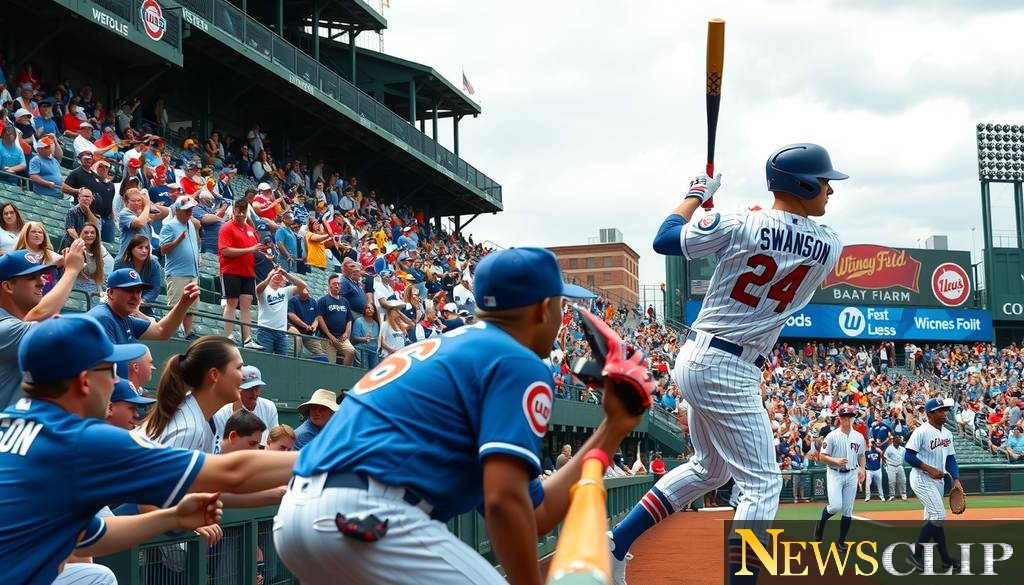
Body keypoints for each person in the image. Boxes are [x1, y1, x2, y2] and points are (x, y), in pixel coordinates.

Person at [273, 247, 648, 585]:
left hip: (298, 516)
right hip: (368, 517)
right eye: (559, 304)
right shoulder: (515, 360)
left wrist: (613, 427)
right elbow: (504, 501)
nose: (561, 315)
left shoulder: (440, 349)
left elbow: (535, 513)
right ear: (541, 308)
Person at [610, 143, 847, 585]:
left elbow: (665, 238)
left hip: (702, 356)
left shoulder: (741, 221)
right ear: (802, 184)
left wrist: (697, 194)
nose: (830, 189)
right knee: (762, 484)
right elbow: (771, 244)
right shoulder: (830, 243)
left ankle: (616, 544)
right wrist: (728, 231)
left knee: (710, 469)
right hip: (728, 367)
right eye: (824, 181)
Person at [0, 313, 299, 584]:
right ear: (84, 381)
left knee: (98, 576)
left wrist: (173, 518)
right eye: (110, 370)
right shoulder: (80, 439)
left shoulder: (11, 421)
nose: (116, 380)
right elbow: (232, 472)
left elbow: (90, 535)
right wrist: (321, 455)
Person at [0, 243, 87, 408]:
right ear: (8, 286)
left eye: (41, 275)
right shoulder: (5, 328)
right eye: (31, 277)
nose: (42, 282)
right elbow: (42, 314)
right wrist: (71, 271)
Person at [903, 397, 961, 572]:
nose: (944, 413)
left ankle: (945, 560)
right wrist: (928, 468)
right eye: (940, 410)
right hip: (922, 478)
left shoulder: (947, 433)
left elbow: (950, 459)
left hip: (938, 481)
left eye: (945, 410)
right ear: (929, 414)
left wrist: (956, 479)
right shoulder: (921, 431)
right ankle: (915, 554)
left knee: (934, 521)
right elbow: (908, 456)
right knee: (938, 515)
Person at [219, 199, 271, 349]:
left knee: (246, 306)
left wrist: (264, 254)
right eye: (238, 211)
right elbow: (225, 251)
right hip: (231, 271)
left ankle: (247, 339)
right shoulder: (226, 228)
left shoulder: (250, 229)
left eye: (243, 211)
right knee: (231, 303)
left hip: (248, 272)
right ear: (234, 211)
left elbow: (255, 248)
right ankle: (228, 336)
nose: (241, 214)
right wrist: (250, 250)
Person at [812, 405, 865, 550]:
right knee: (835, 506)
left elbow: (861, 455)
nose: (847, 419)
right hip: (835, 473)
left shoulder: (859, 437)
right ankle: (821, 521)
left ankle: (841, 542)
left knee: (847, 510)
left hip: (852, 473)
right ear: (839, 419)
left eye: (849, 416)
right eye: (844, 416)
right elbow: (822, 456)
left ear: (853, 418)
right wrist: (835, 461)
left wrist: (862, 469)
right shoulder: (832, 436)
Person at [160, 195, 201, 339]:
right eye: (186, 210)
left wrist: (198, 256)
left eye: (191, 209)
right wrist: (178, 240)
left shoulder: (191, 224)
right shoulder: (169, 226)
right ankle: (170, 334)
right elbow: (163, 249)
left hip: (192, 272)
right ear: (177, 210)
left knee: (190, 307)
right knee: (175, 306)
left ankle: (188, 333)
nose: (189, 212)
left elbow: (195, 244)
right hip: (177, 273)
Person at [212, 365, 280, 449]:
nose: (254, 393)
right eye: (249, 388)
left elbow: (275, 438)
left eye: (257, 387)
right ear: (238, 388)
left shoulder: (269, 406)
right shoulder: (222, 412)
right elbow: (219, 447)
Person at [256, 266, 307, 355]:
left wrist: (286, 274)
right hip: (265, 330)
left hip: (281, 333)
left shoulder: (285, 291)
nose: (278, 276)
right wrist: (269, 276)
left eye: (280, 275)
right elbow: (257, 290)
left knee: (283, 360)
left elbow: (303, 285)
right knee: (265, 358)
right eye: (275, 274)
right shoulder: (265, 290)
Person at [113, 235, 163, 318]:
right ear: (131, 249)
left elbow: (155, 289)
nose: (144, 251)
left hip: (143, 306)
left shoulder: (154, 265)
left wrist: (142, 301)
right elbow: (116, 285)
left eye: (147, 248)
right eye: (140, 247)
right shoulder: (120, 263)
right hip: (122, 303)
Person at [883, 435, 908, 501]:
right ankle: (892, 495)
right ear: (893, 441)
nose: (898, 441)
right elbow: (884, 457)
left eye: (898, 440)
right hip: (891, 466)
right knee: (892, 481)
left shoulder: (903, 449)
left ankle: (903, 495)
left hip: (899, 465)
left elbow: (904, 457)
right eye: (896, 440)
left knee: (903, 480)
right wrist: (886, 465)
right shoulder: (889, 448)